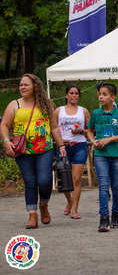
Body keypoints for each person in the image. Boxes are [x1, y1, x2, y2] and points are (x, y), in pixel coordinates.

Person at [0, 73, 66, 229]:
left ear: (35, 86)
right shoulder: (14, 104)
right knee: (30, 182)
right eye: (21, 84)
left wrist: (61, 145)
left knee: (44, 181)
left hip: (44, 148)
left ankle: (44, 204)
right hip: (22, 150)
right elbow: (4, 125)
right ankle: (32, 215)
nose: (22, 87)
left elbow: (54, 127)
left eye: (26, 84)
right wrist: (6, 141)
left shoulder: (46, 104)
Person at [87, 83, 118, 232]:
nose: (101, 97)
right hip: (100, 154)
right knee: (104, 185)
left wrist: (109, 139)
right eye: (100, 94)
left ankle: (116, 214)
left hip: (117, 154)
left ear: (113, 97)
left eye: (104, 94)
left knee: (116, 186)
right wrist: (93, 141)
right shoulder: (95, 113)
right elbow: (89, 131)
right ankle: (104, 217)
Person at [54, 84, 90, 219]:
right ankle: (69, 200)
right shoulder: (58, 111)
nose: (74, 95)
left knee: (76, 179)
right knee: (65, 178)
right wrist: (60, 140)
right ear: (66, 95)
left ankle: (75, 210)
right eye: (71, 93)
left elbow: (91, 130)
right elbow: (53, 129)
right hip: (64, 147)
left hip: (80, 145)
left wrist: (81, 131)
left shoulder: (84, 111)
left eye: (76, 93)